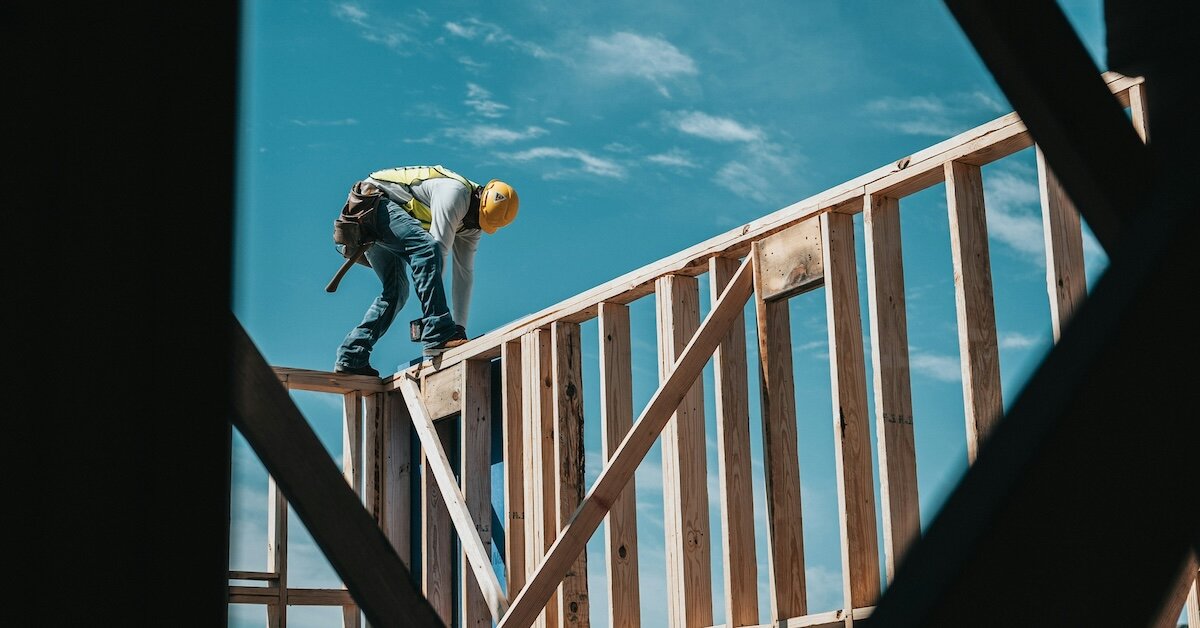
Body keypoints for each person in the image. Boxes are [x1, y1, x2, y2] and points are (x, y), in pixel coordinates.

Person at [334, 165, 518, 376]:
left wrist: (459, 328)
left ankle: (352, 355)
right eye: (475, 219)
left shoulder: (472, 225)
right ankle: (437, 331)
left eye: (478, 223)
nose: (472, 225)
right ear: (479, 198)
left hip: (384, 217)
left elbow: (464, 275)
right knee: (427, 248)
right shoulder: (455, 193)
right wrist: (439, 327)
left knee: (396, 293)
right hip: (371, 203)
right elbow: (436, 251)